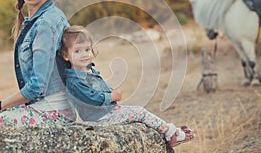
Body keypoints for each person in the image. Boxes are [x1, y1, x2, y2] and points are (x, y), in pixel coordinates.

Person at [59, 25, 194, 147]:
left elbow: (99, 88)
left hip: (106, 112)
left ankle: (166, 131)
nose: (84, 55)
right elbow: (89, 97)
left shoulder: (88, 70)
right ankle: (170, 133)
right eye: (77, 51)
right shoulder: (74, 81)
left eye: (87, 49)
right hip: (99, 118)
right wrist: (110, 96)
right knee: (139, 112)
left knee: (134, 112)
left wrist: (110, 93)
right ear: (66, 55)